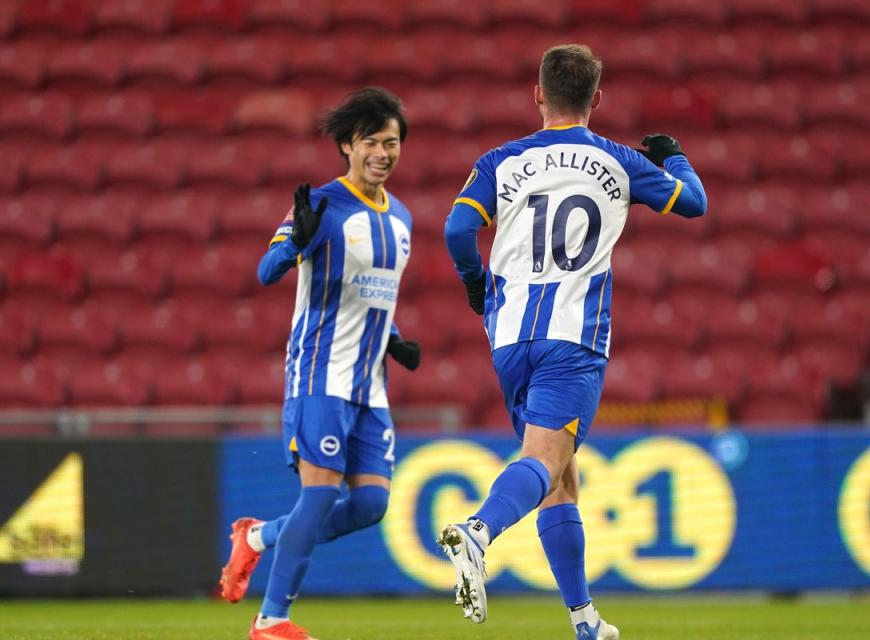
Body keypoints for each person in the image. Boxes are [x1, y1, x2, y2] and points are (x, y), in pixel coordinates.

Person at [440, 44, 707, 640]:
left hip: (509, 339)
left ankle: (584, 620)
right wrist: (675, 157)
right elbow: (694, 204)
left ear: (537, 94)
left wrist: (474, 283)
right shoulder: (616, 161)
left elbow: (458, 228)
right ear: (596, 99)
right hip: (573, 339)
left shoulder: (500, 161)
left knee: (561, 476)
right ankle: (477, 534)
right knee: (546, 461)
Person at [219, 87, 421, 640]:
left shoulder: (401, 217)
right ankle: (271, 620)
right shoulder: (321, 205)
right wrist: (293, 244)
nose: (384, 152)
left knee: (372, 504)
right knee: (322, 493)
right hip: (319, 373)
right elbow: (265, 271)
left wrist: (395, 338)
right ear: (347, 146)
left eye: (393, 142)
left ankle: (257, 538)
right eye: (373, 142)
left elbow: (368, 293)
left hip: (370, 383)